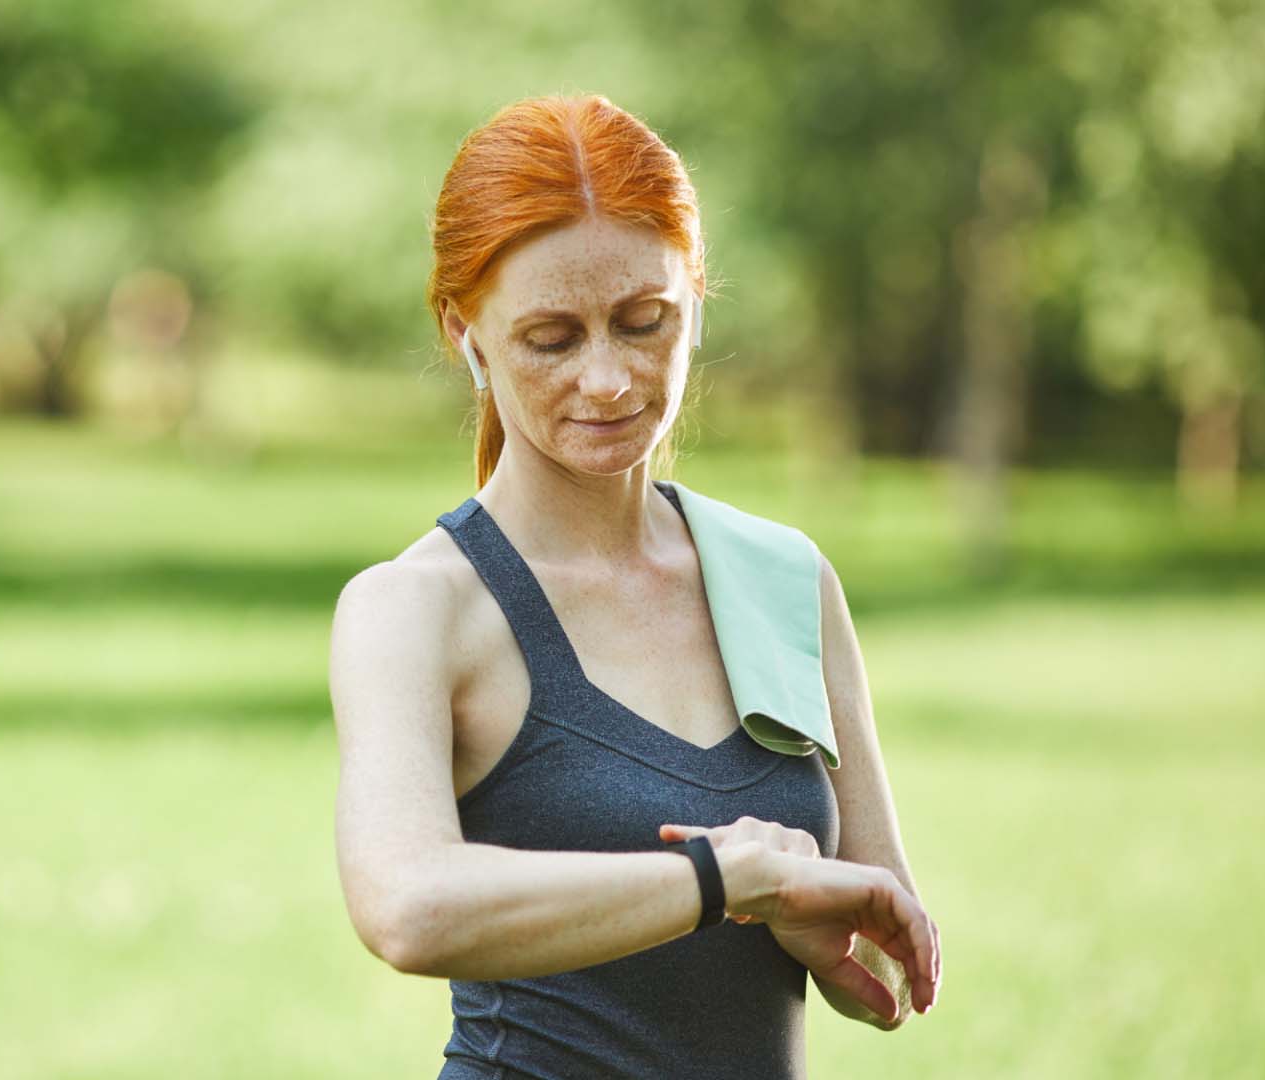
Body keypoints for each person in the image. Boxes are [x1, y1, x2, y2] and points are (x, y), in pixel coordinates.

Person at [328, 94, 942, 1079]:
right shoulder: (416, 610)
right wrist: (722, 877)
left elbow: (882, 960)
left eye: (643, 321)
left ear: (696, 300)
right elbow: (407, 908)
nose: (610, 380)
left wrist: (805, 911)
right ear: (465, 333)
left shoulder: (785, 581)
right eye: (551, 338)